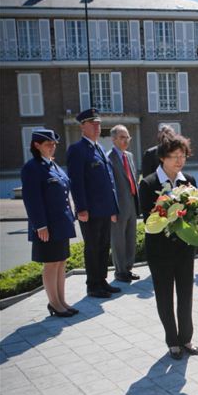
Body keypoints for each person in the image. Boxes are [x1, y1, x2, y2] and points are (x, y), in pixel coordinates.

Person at [139, 133, 198, 359]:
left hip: (185, 249)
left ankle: (186, 338)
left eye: (182, 155)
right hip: (160, 250)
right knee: (165, 295)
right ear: (163, 158)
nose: (179, 160)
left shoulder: (190, 182)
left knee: (186, 294)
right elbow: (148, 220)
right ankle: (172, 341)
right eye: (174, 156)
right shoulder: (148, 184)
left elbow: (195, 215)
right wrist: (169, 209)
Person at [21, 128, 78, 317]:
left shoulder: (53, 166)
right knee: (51, 264)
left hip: (61, 224)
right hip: (47, 226)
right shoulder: (32, 168)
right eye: (48, 144)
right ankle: (54, 303)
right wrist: (40, 225)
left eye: (54, 144)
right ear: (36, 145)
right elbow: (32, 199)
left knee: (61, 262)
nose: (52, 147)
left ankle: (61, 301)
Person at [67, 108, 120, 298]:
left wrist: (113, 208)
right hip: (90, 210)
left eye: (98, 123)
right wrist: (81, 208)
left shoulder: (99, 149)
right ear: (83, 127)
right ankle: (93, 285)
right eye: (93, 123)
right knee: (92, 246)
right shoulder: (77, 150)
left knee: (104, 245)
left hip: (105, 209)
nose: (97, 127)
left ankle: (102, 280)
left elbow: (109, 183)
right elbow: (77, 181)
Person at [107, 125, 140, 283]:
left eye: (127, 137)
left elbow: (133, 179)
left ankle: (128, 268)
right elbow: (108, 185)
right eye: (122, 137)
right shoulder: (109, 158)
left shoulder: (130, 156)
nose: (126, 140)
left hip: (132, 204)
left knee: (130, 238)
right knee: (118, 240)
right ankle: (120, 272)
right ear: (113, 139)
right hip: (118, 207)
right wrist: (111, 209)